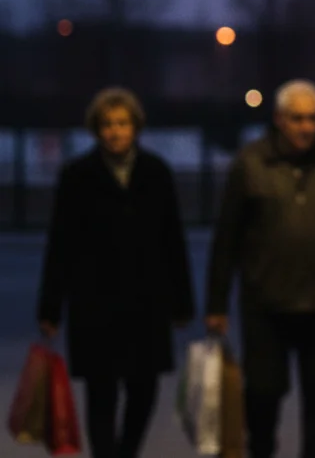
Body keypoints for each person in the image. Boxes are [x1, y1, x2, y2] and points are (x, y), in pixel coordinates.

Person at [37, 87, 195, 458]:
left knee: (144, 390)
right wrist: (50, 308)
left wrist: (182, 302)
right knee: (101, 393)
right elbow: (60, 243)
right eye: (107, 124)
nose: (115, 131)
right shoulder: (77, 175)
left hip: (146, 301)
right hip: (96, 303)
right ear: (96, 129)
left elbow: (173, 239)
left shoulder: (156, 172)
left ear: (135, 127)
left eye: (122, 123)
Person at [205, 79, 315, 458]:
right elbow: (227, 236)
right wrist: (217, 303)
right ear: (279, 118)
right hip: (266, 303)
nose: (306, 127)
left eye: (313, 118)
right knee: (262, 397)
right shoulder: (251, 163)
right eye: (297, 118)